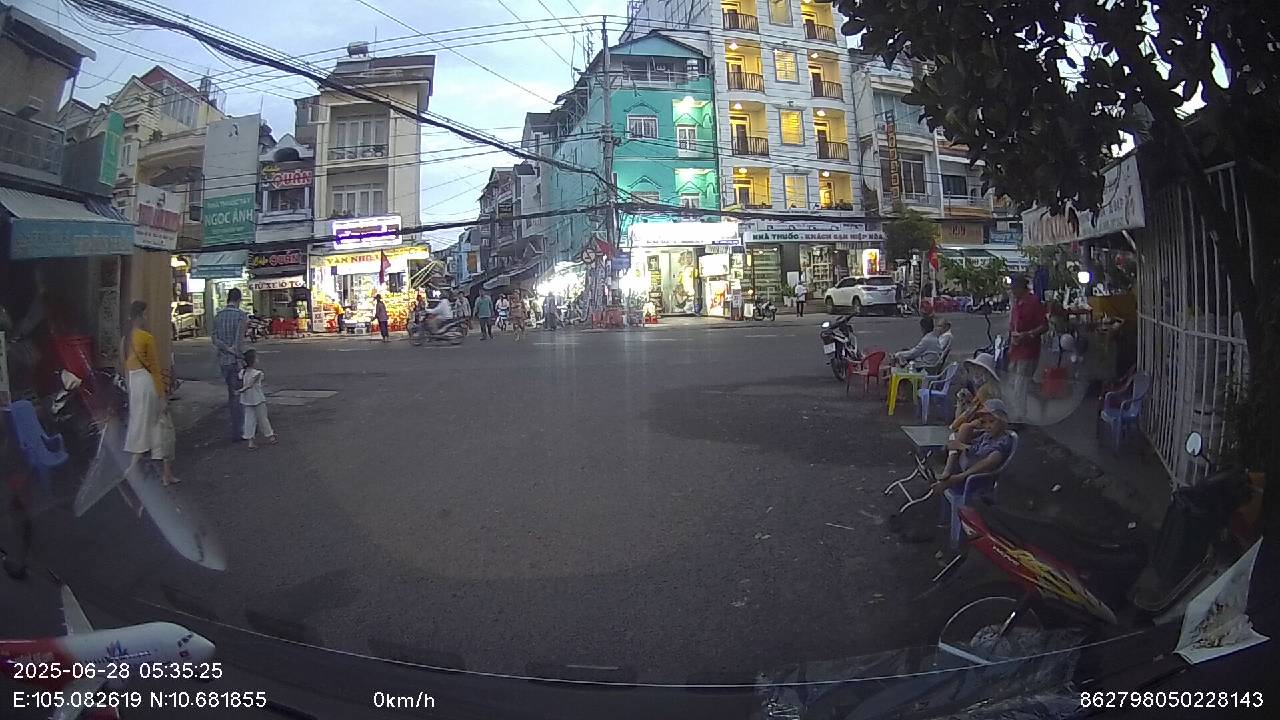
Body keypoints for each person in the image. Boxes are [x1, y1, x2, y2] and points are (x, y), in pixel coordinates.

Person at [121, 301, 178, 486]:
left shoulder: (125, 340)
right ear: (140, 316)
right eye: (145, 314)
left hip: (134, 385)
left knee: (140, 424)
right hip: (147, 384)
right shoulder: (146, 338)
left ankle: (138, 468)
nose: (146, 318)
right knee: (161, 425)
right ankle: (162, 473)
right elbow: (154, 368)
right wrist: (162, 396)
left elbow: (125, 367)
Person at [933, 399, 1014, 493]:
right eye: (984, 422)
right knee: (958, 433)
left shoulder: (1003, 439)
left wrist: (964, 447)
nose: (988, 426)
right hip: (965, 462)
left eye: (992, 421)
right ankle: (947, 471)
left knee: (995, 455)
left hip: (975, 475)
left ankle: (954, 478)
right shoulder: (987, 435)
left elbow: (990, 457)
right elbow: (971, 440)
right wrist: (971, 427)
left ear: (1002, 421)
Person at [211, 288, 249, 443]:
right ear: (239, 300)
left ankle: (237, 428)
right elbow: (239, 340)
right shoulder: (241, 316)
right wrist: (235, 352)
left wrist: (226, 348)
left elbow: (214, 338)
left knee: (231, 394)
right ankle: (239, 430)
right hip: (236, 361)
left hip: (223, 361)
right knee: (238, 395)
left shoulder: (218, 316)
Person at [1008, 275, 1047, 420]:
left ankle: (1020, 415)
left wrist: (1028, 334)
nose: (1012, 291)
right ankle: (1039, 398)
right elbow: (1013, 325)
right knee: (1014, 382)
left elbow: (1044, 326)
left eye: (1014, 288)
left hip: (1028, 349)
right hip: (1016, 348)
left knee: (1021, 383)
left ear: (1021, 288)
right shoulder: (1016, 303)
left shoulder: (1033, 302)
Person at [236, 349, 276, 450]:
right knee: (263, 418)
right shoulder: (257, 373)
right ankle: (270, 436)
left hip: (247, 399)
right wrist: (242, 390)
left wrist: (240, 390)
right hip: (258, 398)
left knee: (249, 419)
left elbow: (242, 382)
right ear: (253, 361)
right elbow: (251, 384)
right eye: (256, 358)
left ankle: (250, 441)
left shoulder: (242, 372)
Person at [953, 352, 1001, 431]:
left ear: (987, 372)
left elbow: (958, 423)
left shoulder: (985, 390)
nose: (975, 372)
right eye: (975, 368)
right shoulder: (992, 387)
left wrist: (960, 403)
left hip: (984, 428)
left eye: (979, 369)